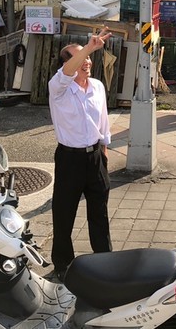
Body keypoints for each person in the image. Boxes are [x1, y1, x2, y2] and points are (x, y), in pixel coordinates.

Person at [48, 28, 113, 281]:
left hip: (95, 157)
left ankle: (104, 260)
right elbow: (66, 73)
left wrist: (104, 151)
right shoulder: (59, 88)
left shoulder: (96, 87)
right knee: (64, 214)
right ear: (67, 64)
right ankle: (63, 265)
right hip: (69, 159)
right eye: (80, 58)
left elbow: (103, 121)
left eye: (88, 58)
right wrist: (88, 47)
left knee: (99, 212)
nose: (87, 61)